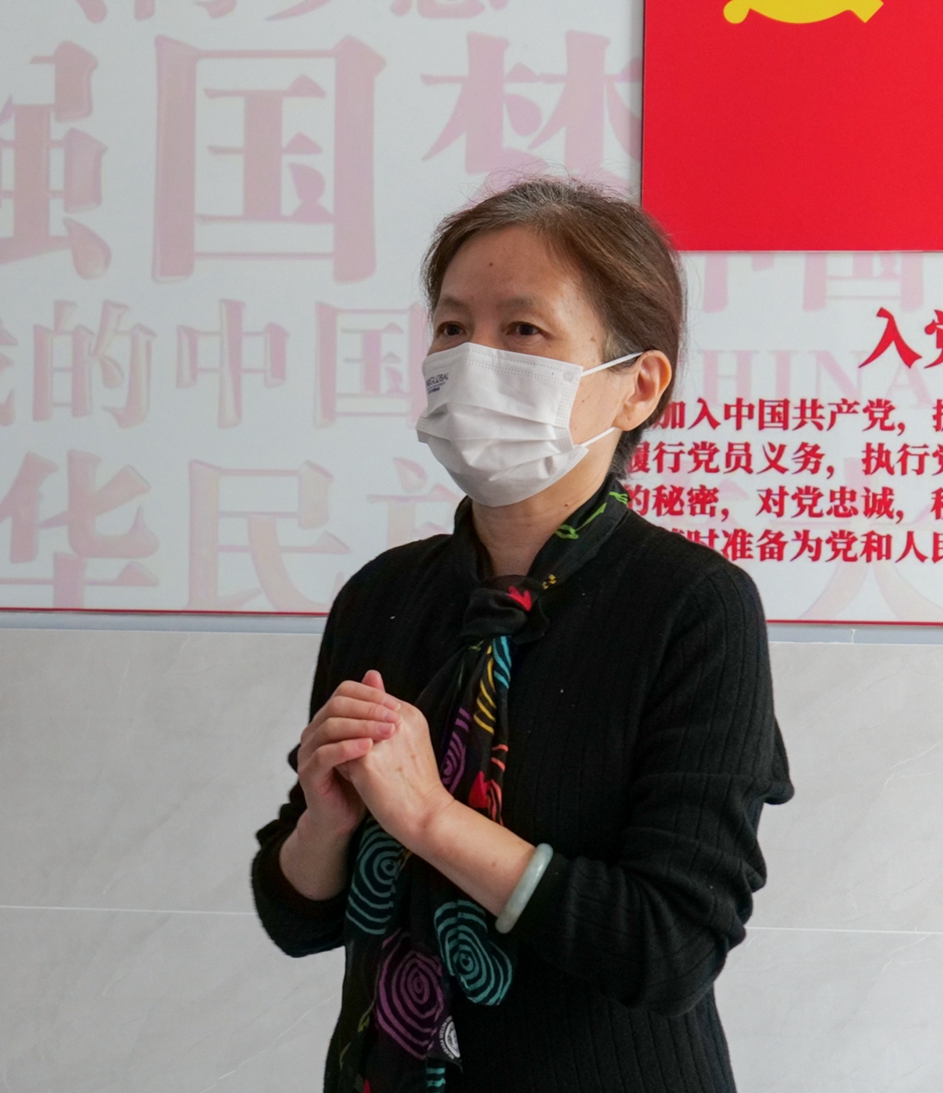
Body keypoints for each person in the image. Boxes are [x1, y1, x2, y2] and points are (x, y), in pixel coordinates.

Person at [252, 176, 793, 1093]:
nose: (473, 359)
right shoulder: (383, 597)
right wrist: (325, 825)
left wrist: (430, 820)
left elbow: (670, 947)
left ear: (637, 387)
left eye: (524, 330)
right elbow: (298, 917)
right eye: (452, 327)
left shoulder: (694, 605)